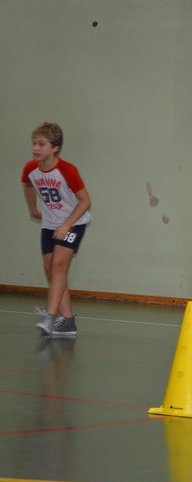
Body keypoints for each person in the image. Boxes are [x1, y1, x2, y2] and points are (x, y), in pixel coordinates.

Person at [21, 122, 91, 338]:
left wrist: (67, 225)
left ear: (55, 147)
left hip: (74, 222)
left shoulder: (67, 170)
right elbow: (27, 184)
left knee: (59, 265)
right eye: (34, 143)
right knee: (51, 270)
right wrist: (33, 209)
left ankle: (51, 318)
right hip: (49, 223)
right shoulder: (31, 168)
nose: (36, 148)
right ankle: (67, 322)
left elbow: (85, 201)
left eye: (41, 144)